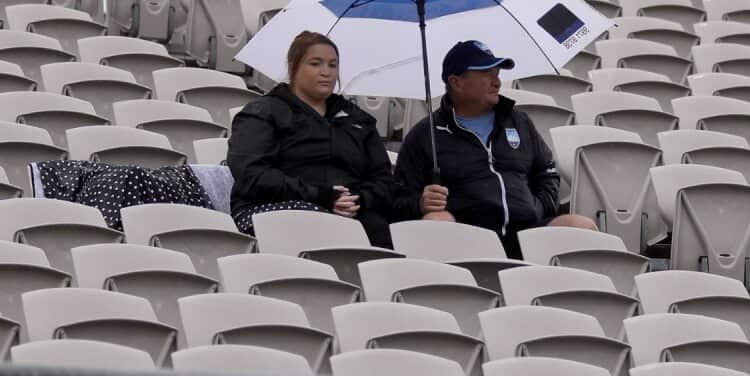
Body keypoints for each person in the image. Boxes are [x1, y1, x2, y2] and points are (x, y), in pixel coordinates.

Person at [395, 40, 595, 256]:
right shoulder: (426, 134)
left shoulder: (519, 121)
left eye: (497, 74)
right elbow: (397, 198)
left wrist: (536, 207)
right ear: (456, 82)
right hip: (467, 235)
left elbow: (547, 174)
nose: (497, 82)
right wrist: (420, 203)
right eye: (486, 74)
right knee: (436, 221)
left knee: (582, 226)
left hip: (527, 231)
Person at [228, 30, 401, 247]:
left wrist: (358, 198)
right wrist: (321, 196)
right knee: (323, 227)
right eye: (315, 63)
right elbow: (251, 173)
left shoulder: (358, 119)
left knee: (388, 233)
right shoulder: (263, 112)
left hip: (352, 212)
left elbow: (383, 179)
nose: (326, 72)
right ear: (294, 66)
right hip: (279, 208)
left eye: (332, 65)